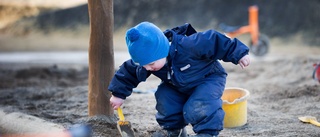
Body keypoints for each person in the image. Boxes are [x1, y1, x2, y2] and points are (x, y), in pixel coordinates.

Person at [108, 21, 250, 137]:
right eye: (144, 65)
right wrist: (118, 94)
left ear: (162, 50)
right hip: (177, 85)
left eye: (151, 64)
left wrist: (239, 53)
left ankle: (207, 133)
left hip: (207, 79)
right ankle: (175, 131)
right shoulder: (148, 62)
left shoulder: (189, 45)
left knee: (199, 105)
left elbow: (215, 41)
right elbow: (128, 72)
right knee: (165, 97)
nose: (148, 68)